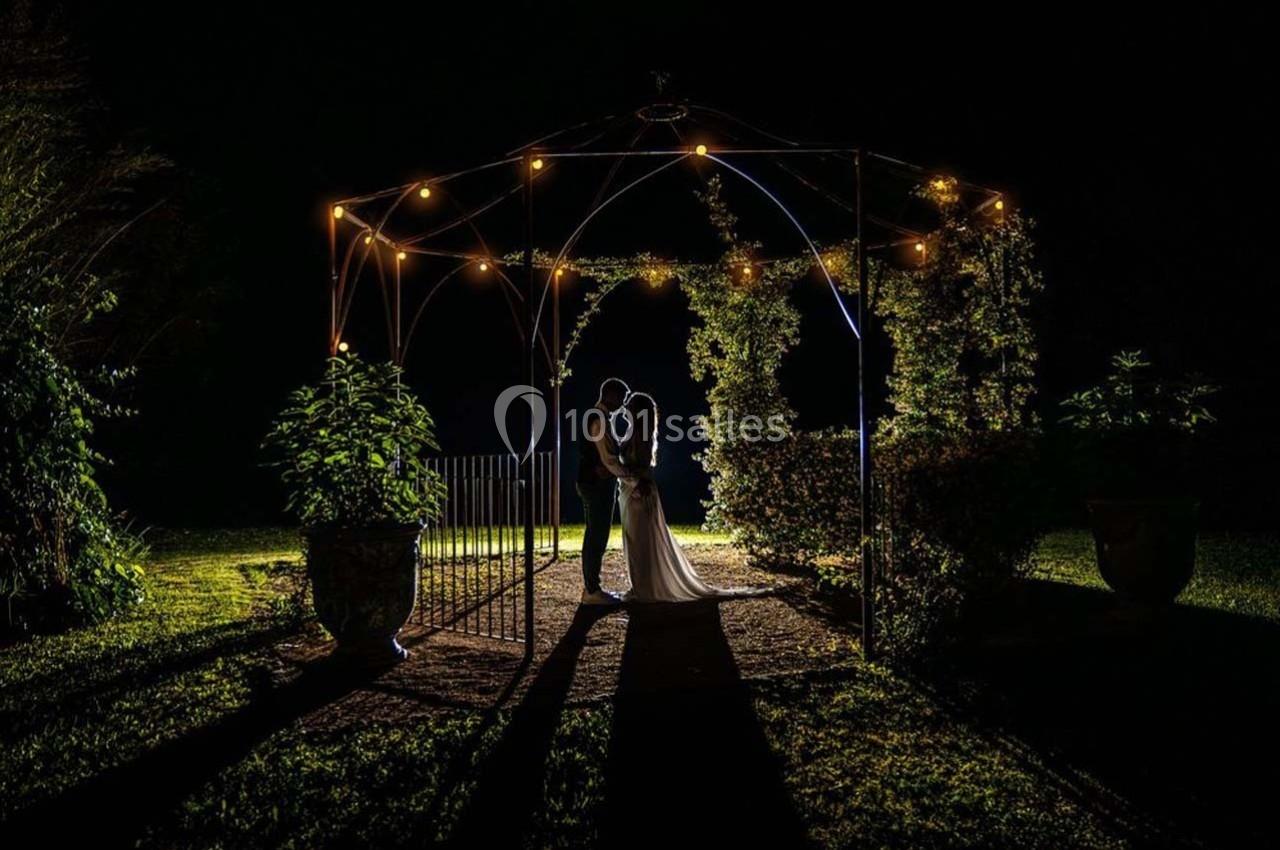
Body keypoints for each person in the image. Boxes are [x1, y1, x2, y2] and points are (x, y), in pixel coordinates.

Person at [575, 377, 629, 605]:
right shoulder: (600, 420)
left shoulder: (594, 416)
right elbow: (607, 457)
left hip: (591, 481)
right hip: (596, 484)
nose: (622, 405)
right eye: (622, 399)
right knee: (597, 535)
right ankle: (592, 589)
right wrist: (629, 476)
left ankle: (592, 587)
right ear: (611, 395)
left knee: (594, 533)